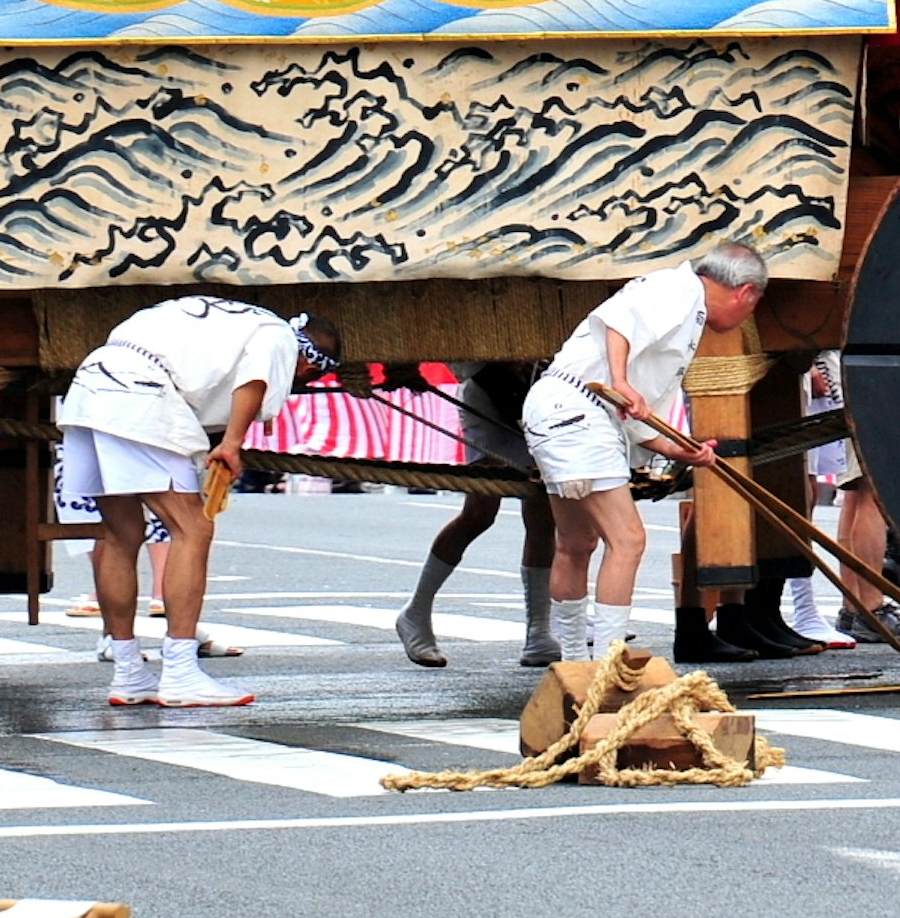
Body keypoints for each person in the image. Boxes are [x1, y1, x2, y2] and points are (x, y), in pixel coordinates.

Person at [56, 295, 342, 707]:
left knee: (121, 536)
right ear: (310, 362)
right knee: (193, 527)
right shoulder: (279, 335)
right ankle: (180, 671)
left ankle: (128, 672)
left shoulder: (232, 318)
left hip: (92, 386)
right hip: (140, 393)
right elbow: (255, 378)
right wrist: (232, 443)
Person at [522, 245, 766, 667]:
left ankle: (576, 663)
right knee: (628, 539)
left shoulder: (688, 305)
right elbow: (620, 321)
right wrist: (620, 379)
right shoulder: (677, 287)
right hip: (578, 410)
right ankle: (607, 662)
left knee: (577, 542)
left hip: (570, 410)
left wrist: (676, 448)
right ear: (746, 293)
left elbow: (631, 413)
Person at [391, 362, 562, 669]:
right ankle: (415, 612)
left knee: (542, 514)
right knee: (479, 512)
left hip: (542, 390)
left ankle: (538, 630)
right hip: (488, 389)